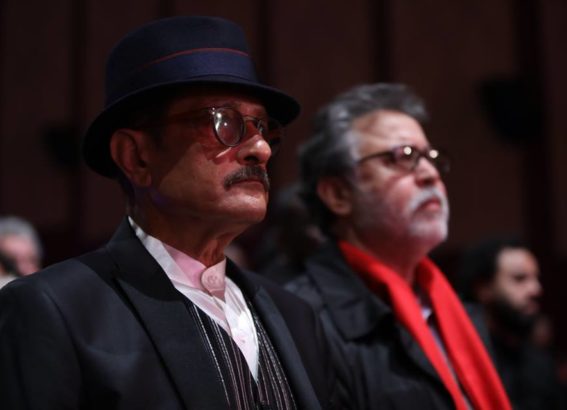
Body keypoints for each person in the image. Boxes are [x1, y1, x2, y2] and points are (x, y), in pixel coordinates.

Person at [0, 16, 335, 410]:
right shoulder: (54, 309)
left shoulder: (296, 316)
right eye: (223, 122)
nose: (260, 149)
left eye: (262, 127)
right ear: (136, 156)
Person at [286, 83, 512, 409]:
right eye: (403, 157)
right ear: (338, 194)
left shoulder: (458, 309)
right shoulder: (301, 322)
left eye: (431, 157)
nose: (430, 174)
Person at [458, 236, 565, 409]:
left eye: (536, 278)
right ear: (483, 288)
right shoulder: (463, 364)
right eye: (519, 279)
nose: (536, 289)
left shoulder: (541, 362)